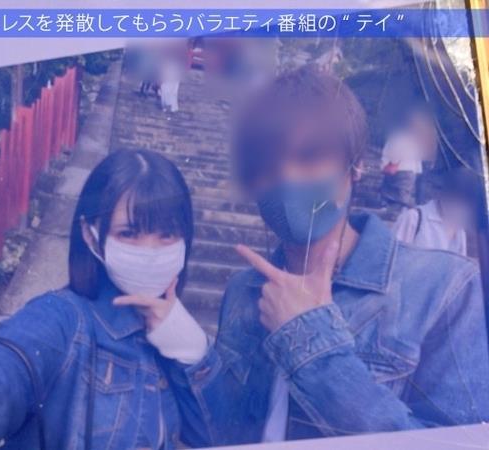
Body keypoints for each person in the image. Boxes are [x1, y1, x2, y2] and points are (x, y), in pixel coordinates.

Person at [160, 66, 489, 446]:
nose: (287, 176)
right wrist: (188, 347)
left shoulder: (442, 290)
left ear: (356, 166)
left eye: (310, 156)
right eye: (268, 163)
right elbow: (225, 431)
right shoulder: (244, 289)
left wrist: (310, 341)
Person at [0, 149, 207, 449]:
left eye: (167, 234)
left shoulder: (174, 331)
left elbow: (213, 435)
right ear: (90, 235)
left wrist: (192, 352)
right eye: (129, 233)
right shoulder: (62, 320)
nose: (150, 251)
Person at [392, 166, 481, 256]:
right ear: (442, 193)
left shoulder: (460, 230)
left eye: (464, 201)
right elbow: (394, 256)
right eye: (455, 197)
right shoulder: (413, 218)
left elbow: (458, 262)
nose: (459, 205)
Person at [380, 105, 439, 207]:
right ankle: (408, 204)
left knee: (398, 193)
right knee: (404, 193)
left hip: (401, 169)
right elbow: (417, 155)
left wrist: (390, 163)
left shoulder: (400, 137)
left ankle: (404, 205)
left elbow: (395, 153)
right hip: (410, 170)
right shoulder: (413, 138)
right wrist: (417, 169)